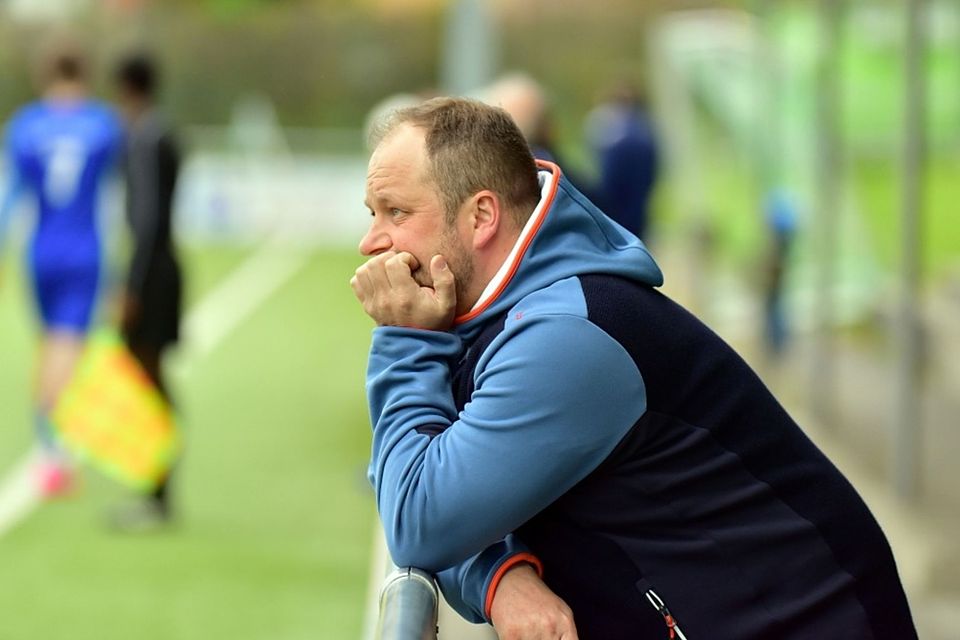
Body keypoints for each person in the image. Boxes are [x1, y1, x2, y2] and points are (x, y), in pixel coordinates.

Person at [350, 97, 917, 639]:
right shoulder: (509, 311)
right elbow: (401, 476)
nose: (370, 242)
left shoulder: (567, 336)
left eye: (397, 212)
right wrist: (498, 575)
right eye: (373, 214)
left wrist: (406, 336)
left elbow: (417, 519)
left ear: (481, 217)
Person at [0, 38, 123, 496]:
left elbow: (10, 197)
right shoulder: (103, 124)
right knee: (66, 349)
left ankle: (48, 446)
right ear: (85, 75)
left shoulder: (25, 125)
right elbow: (118, 195)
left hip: (40, 252)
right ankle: (54, 454)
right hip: (83, 252)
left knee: (48, 345)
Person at [110, 52, 183, 527]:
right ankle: (155, 489)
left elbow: (147, 219)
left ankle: (157, 494)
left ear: (125, 88)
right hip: (162, 269)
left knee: (147, 380)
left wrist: (130, 287)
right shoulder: (162, 133)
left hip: (151, 276)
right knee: (148, 378)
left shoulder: (145, 138)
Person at [584, 83, 659, 241]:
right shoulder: (645, 131)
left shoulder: (615, 138)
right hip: (639, 202)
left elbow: (608, 178)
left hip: (618, 205)